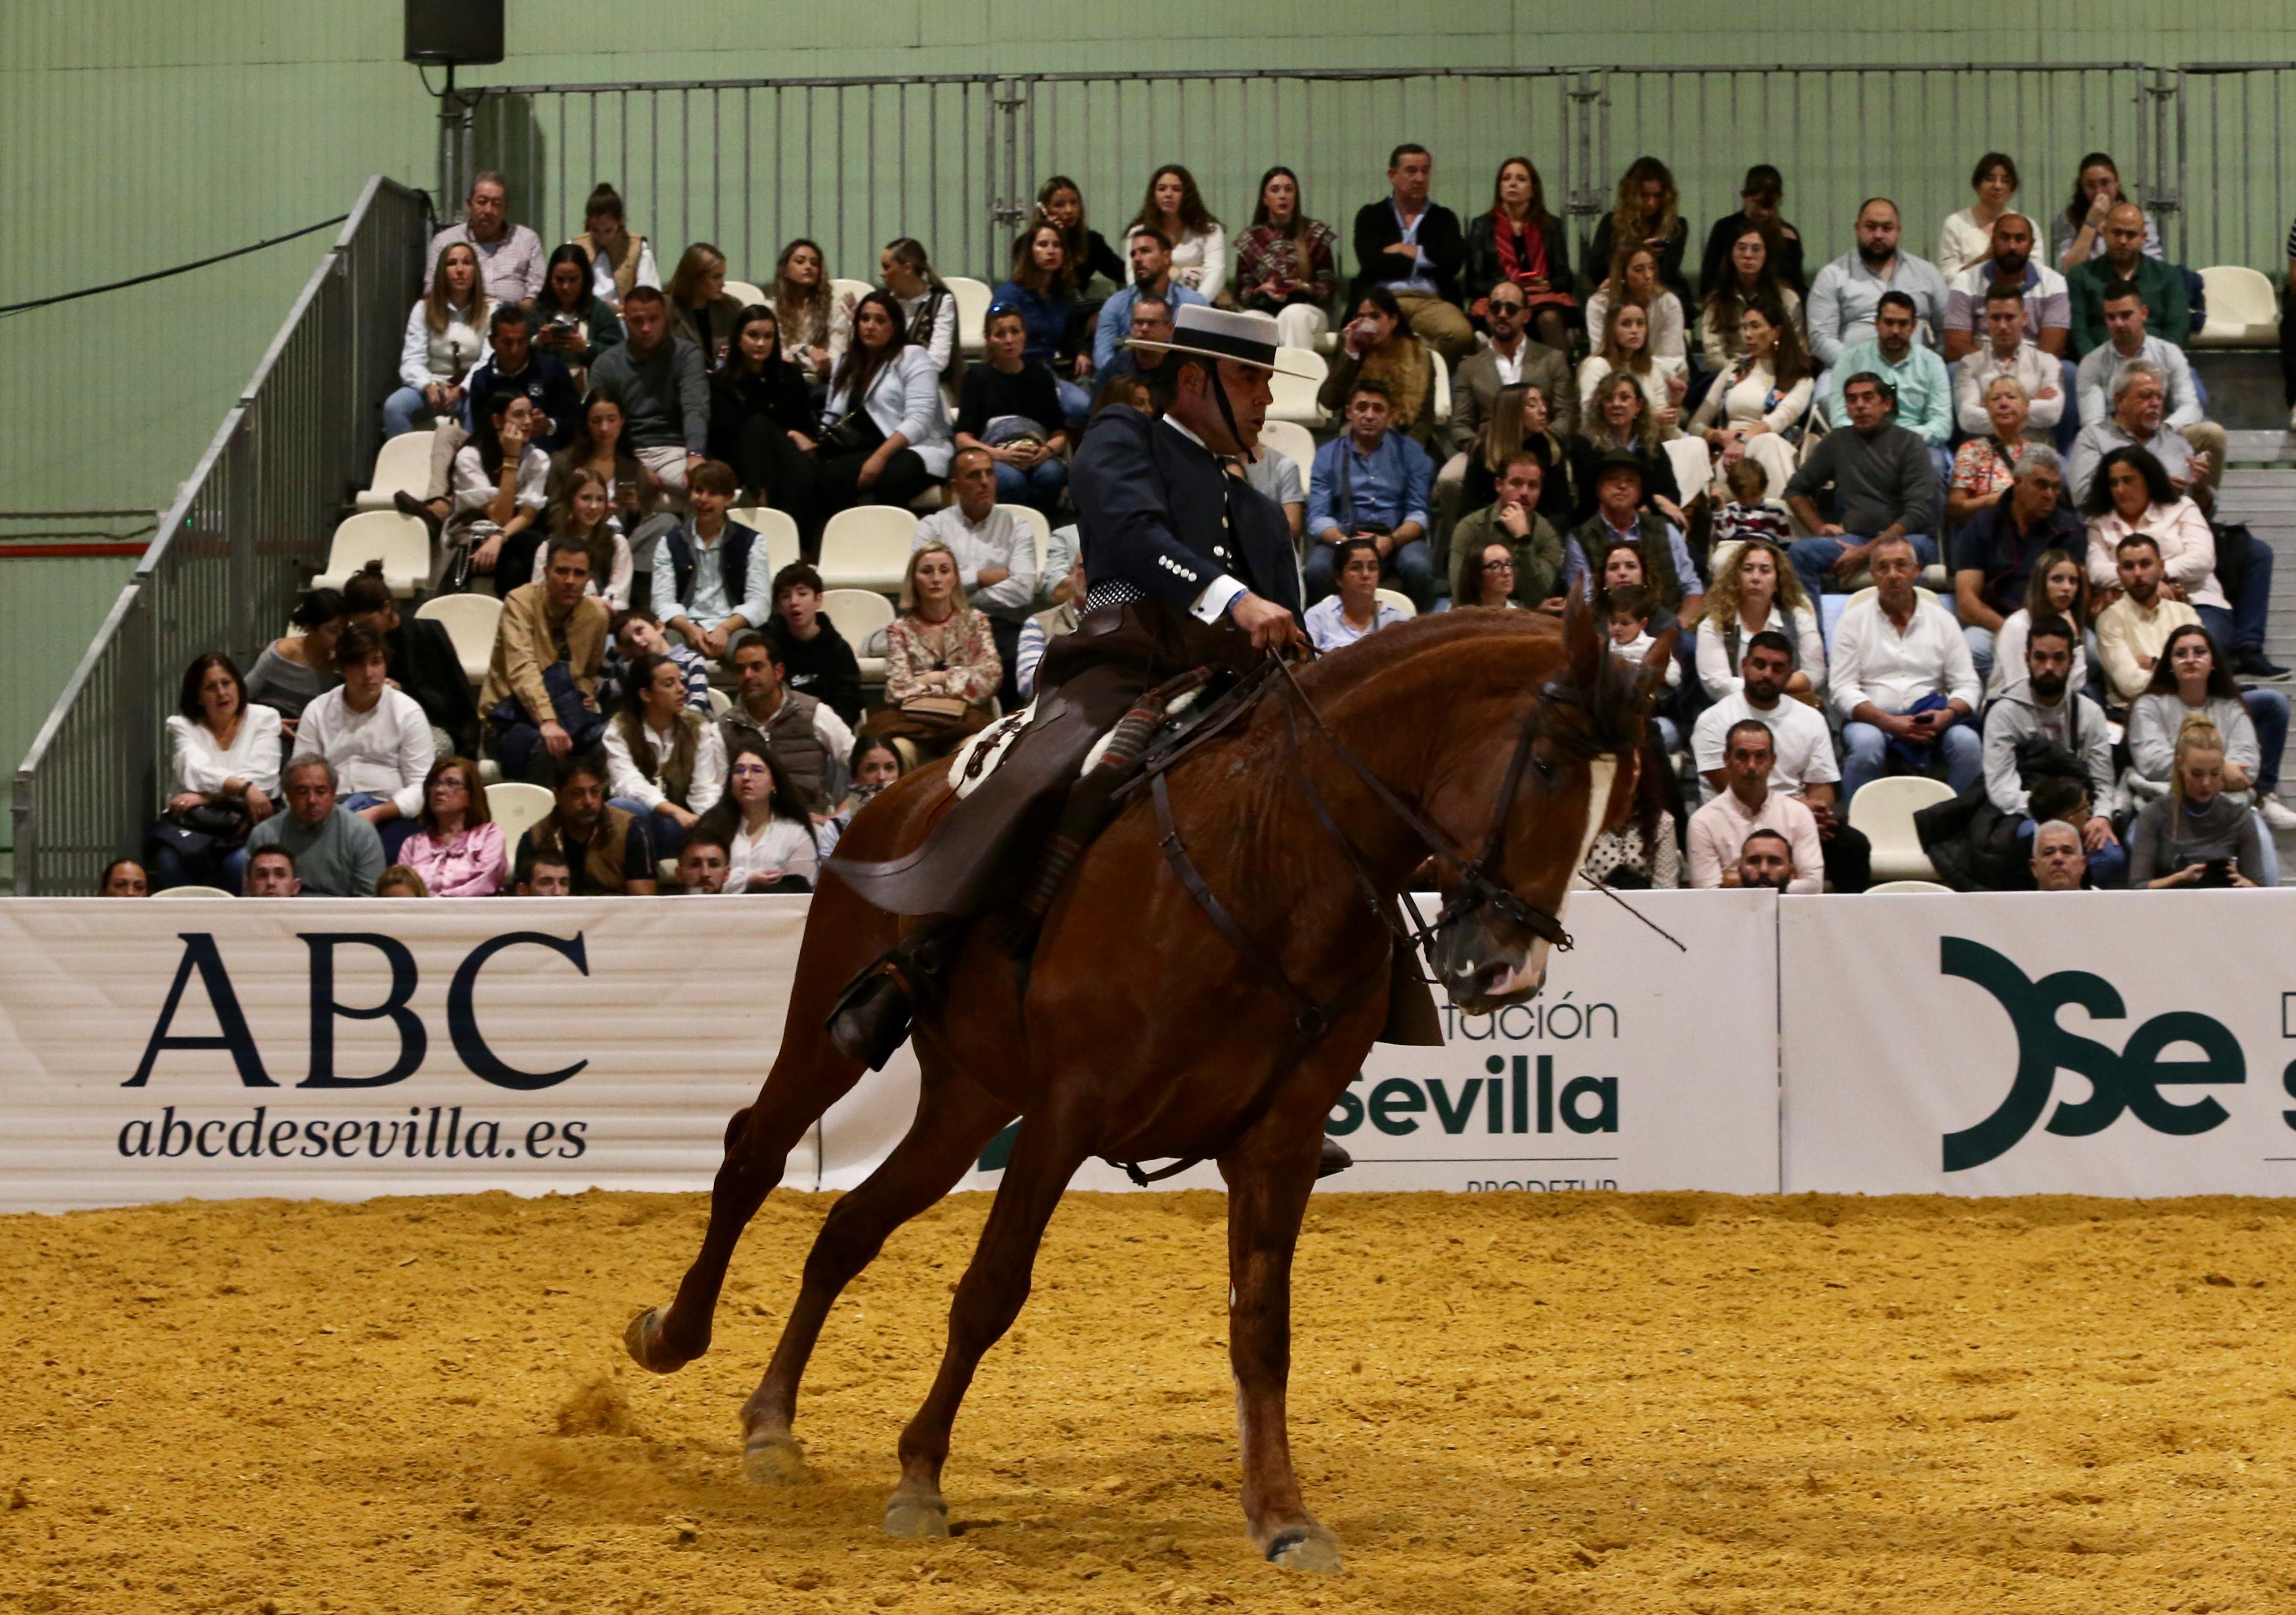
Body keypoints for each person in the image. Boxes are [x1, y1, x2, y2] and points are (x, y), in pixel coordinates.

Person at [828, 304, 1307, 1071]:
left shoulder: (1257, 508)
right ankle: (920, 962)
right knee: (1053, 771)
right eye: (1250, 379)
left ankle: (1310, 1040)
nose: (1266, 399)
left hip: (1236, 688)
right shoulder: (1125, 439)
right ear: (1194, 380)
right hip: (1126, 664)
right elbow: (1133, 538)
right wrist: (1234, 599)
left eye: (1267, 381)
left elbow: (1288, 619)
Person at [1691, 631, 1868, 891]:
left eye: (1777, 668)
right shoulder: (1713, 719)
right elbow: (1740, 784)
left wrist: (1811, 813)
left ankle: (1846, 927)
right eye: (1760, 665)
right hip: (1734, 818)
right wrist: (1797, 809)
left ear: (1790, 673)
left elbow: (1821, 785)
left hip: (1797, 818)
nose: (1767, 674)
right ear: (1744, 666)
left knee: (1853, 845)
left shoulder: (1811, 719)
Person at [1827, 535, 1982, 806]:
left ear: (1917, 571)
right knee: (1866, 747)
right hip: (1872, 719)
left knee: (1967, 743)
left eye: (1901, 565)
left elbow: (1968, 684)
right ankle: (1858, 830)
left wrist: (1947, 715)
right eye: (1883, 568)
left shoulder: (1942, 620)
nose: (1893, 575)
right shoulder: (1852, 621)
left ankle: (1959, 829)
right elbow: (1841, 688)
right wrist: (1886, 721)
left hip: (1932, 719)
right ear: (1873, 574)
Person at [1981, 615, 2124, 882]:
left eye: (2059, 658)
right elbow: (2002, 790)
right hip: (2027, 814)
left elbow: (2104, 783)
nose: (2049, 667)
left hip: (2081, 813)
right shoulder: (2003, 713)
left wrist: (2102, 817)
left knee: (2111, 857)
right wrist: (2058, 817)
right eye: (2040, 657)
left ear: (2071, 661)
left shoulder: (2090, 713)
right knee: (2029, 842)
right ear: (2027, 659)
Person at [2127, 623, 2296, 839]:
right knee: (2135, 842)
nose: (2190, 659)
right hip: (2165, 806)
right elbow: (2150, 762)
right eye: (2180, 654)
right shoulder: (2148, 706)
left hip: (2229, 807)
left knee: (2261, 844)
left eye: (2199, 652)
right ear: (2170, 665)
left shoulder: (2231, 707)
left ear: (2213, 662)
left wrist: (2197, 772)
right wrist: (2220, 768)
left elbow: (2247, 766)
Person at [1784, 372, 1937, 602]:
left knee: (1900, 554)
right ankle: (1812, 633)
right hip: (1855, 538)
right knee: (1799, 553)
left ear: (1886, 404)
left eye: (1868, 398)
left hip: (1908, 539)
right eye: (1852, 400)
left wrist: (1868, 552)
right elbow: (1795, 490)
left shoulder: (1910, 443)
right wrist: (1819, 527)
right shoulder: (1837, 442)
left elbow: (1918, 512)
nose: (1860, 406)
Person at [1438, 282, 1575, 526]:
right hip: (1487, 451)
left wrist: (1540, 444)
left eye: (1511, 309)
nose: (1502, 314)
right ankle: (1458, 549)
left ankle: (1550, 546)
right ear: (1487, 313)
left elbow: (1566, 415)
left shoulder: (1552, 360)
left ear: (1526, 315)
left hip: (1542, 448)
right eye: (1496, 308)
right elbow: (1459, 425)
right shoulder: (1470, 367)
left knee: (1563, 474)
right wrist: (1483, 448)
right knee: (1449, 478)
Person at [295, 623, 435, 856]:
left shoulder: (407, 712)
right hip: (330, 810)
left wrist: (377, 813)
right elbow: (302, 775)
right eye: (358, 665)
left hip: (389, 811)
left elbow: (423, 785)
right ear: (342, 668)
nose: (369, 674)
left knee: (387, 853)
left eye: (376, 662)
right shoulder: (317, 711)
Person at [480, 537, 612, 781]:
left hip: (568, 714)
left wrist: (584, 691)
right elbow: (522, 668)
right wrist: (548, 720)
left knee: (609, 741)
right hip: (509, 716)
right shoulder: (520, 602)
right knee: (547, 745)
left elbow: (589, 673)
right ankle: (538, 817)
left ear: (589, 578)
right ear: (545, 572)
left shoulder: (597, 616)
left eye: (579, 573)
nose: (570, 581)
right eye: (561, 571)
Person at [815, 288, 952, 521]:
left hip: (914, 448)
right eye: (865, 319)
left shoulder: (913, 357)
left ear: (895, 327)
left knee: (892, 478)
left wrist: (879, 457)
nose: (870, 326)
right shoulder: (845, 362)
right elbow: (832, 414)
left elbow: (919, 421)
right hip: (862, 448)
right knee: (826, 478)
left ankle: (895, 545)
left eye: (880, 321)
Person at [915, 448, 1039, 703]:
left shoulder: (1017, 527)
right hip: (946, 626)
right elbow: (924, 586)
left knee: (1014, 658)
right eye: (974, 476)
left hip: (1000, 625)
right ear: (956, 485)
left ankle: (1010, 735)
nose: (985, 482)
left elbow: (1023, 590)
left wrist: (956, 590)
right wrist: (981, 577)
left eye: (989, 474)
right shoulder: (932, 526)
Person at [856, 540, 1001, 758]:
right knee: (900, 749)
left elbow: (991, 677)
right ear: (914, 581)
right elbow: (897, 688)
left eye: (944, 571)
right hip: (915, 727)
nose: (936, 579)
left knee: (973, 747)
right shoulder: (900, 629)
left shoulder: (976, 622)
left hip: (964, 724)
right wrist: (962, 682)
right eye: (927, 571)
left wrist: (935, 678)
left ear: (955, 579)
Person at [150, 652, 281, 892]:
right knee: (168, 862)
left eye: (226, 683)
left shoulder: (264, 718)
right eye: (211, 687)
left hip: (247, 823)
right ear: (198, 696)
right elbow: (194, 770)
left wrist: (206, 797)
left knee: (239, 863)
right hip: (197, 825)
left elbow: (262, 778)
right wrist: (243, 788)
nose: (222, 693)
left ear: (239, 685)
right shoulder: (184, 726)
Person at [1304, 379, 1436, 611]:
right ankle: (1319, 635)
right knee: (1316, 570)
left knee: (1419, 567)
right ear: (1349, 413)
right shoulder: (1328, 455)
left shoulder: (1411, 452)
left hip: (1396, 537)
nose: (1369, 415)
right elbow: (1317, 517)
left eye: (1378, 409)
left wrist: (1392, 540)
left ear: (1390, 415)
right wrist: (1345, 544)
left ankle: (1422, 635)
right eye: (1361, 407)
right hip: (1344, 536)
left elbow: (1418, 512)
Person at [2074, 279, 2218, 487]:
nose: (2119, 324)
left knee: (2212, 434)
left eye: (2126, 315)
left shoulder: (2169, 353)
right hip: (2116, 439)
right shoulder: (2092, 363)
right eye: (2111, 317)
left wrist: (2164, 430)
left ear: (2144, 313)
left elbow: (2190, 406)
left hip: (2167, 433)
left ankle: (2203, 506)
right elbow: (2094, 424)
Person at [2081, 442, 2228, 642]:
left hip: (2196, 600)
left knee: (2200, 649)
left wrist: (2155, 575)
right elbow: (2097, 572)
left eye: (2128, 481)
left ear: (2148, 480)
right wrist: (2150, 584)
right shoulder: (2099, 522)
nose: (2120, 490)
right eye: (2114, 483)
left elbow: (2203, 559)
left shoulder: (2182, 507)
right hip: (2130, 608)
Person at [1954, 446, 2079, 681]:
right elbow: (1967, 601)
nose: (2050, 495)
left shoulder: (2070, 528)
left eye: (2055, 487)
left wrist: (2046, 635)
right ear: (2018, 482)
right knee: (1971, 649)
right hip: (1995, 623)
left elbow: (2079, 596)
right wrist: (2014, 631)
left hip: (2054, 626)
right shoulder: (1983, 524)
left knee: (2091, 652)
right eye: (2041, 485)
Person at [340, 563, 480, 761]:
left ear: (387, 608)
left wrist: (403, 690)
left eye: (369, 622)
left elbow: (450, 702)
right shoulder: (356, 641)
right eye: (358, 623)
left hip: (430, 724)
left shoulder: (426, 635)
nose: (364, 629)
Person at [1350, 142, 1474, 361]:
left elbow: (1452, 264)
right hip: (1384, 298)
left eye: (1425, 171)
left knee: (1461, 334)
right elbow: (1370, 263)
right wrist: (1427, 259)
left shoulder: (1444, 218)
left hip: (1430, 301)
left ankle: (1422, 375)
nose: (1419, 178)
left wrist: (1407, 251)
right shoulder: (1371, 215)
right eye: (1411, 171)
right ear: (1392, 175)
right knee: (1363, 335)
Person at [1687, 295, 1813, 500]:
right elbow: (1696, 425)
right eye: (1744, 327)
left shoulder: (1800, 376)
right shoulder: (1734, 371)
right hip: (1729, 456)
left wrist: (1744, 441)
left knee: (1768, 442)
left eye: (1755, 326)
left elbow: (1779, 419)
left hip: (1773, 448)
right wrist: (1718, 436)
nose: (1747, 334)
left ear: (1776, 332)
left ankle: (1781, 520)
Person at [587, 286, 707, 497]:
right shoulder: (606, 364)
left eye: (654, 320)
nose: (646, 328)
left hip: (674, 450)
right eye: (637, 321)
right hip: (624, 452)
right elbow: (602, 423)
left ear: (665, 319)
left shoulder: (686, 355)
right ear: (624, 321)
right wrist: (634, 465)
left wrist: (695, 453)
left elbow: (695, 407)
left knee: (704, 489)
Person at [1805, 198, 1950, 373]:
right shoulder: (1833, 275)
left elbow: (1948, 329)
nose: (1878, 235)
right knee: (1825, 400)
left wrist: (1928, 364)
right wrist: (1859, 366)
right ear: (1858, 229)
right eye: (1871, 227)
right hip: (1850, 373)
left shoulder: (1927, 273)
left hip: (1916, 373)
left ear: (1898, 231)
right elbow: (1820, 337)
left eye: (1887, 228)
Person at [721, 629, 855, 817]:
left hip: (809, 824)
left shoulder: (815, 713)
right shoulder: (725, 726)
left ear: (778, 671)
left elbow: (866, 767)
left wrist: (836, 820)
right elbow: (709, 792)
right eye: (741, 670)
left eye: (757, 667)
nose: (748, 675)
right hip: (746, 828)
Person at [605, 651, 727, 857]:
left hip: (683, 826)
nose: (682, 689)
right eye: (669, 684)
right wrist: (672, 810)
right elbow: (627, 783)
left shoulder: (698, 727)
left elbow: (705, 789)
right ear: (646, 695)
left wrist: (702, 828)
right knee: (623, 807)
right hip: (641, 822)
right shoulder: (620, 729)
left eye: (681, 681)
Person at [646, 459, 769, 659]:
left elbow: (759, 602)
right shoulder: (669, 543)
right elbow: (662, 602)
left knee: (752, 654)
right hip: (684, 625)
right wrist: (689, 629)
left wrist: (725, 629)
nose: (703, 499)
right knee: (662, 649)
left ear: (729, 499)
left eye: (713, 493)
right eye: (698, 490)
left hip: (732, 625)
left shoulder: (752, 542)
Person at [955, 305, 1070, 517]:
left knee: (1051, 475)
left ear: (1024, 335)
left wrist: (1047, 451)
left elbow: (1059, 434)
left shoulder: (1041, 376)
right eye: (1000, 334)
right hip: (996, 454)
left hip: (1037, 453)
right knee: (1011, 480)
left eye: (1015, 332)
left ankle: (1045, 528)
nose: (1009, 340)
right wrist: (999, 455)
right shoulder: (977, 378)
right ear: (989, 340)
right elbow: (962, 437)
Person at [1565, 453, 1703, 627]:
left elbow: (1692, 588)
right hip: (1609, 633)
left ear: (1639, 494)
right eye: (1612, 479)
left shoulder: (1666, 530)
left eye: (1630, 481)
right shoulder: (1580, 539)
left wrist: (1678, 626)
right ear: (1598, 489)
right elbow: (1583, 601)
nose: (1622, 486)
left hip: (1666, 627)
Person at [1821, 292, 1951, 475]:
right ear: (1877, 323)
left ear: (1913, 325)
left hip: (1918, 444)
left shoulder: (1932, 363)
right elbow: (1841, 420)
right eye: (1889, 323)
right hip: (1864, 442)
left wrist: (1900, 439)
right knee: (1850, 466)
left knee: (1934, 466)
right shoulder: (1850, 361)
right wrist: (1875, 439)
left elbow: (1942, 424)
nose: (1896, 331)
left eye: (1903, 323)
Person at [707, 304, 818, 519]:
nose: (761, 343)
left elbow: (807, 427)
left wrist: (798, 436)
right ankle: (761, 501)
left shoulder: (791, 375)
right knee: (757, 426)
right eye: (753, 336)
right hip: (740, 461)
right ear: (739, 339)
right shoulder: (721, 382)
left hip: (786, 458)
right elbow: (723, 435)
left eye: (768, 337)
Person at [1687, 720, 1824, 893]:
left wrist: (1735, 880)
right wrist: (1781, 879)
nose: (1751, 766)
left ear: (1772, 761)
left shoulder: (1798, 813)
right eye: (1742, 756)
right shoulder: (1703, 821)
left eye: (1760, 756)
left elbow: (1813, 886)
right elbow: (1707, 892)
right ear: (1727, 759)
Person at [2130, 718, 2267, 889]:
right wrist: (2179, 878)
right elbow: (2137, 886)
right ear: (2181, 765)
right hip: (2169, 908)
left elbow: (2262, 889)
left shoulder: (2239, 817)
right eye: (2197, 774)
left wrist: (2247, 886)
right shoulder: (2154, 814)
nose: (2206, 783)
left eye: (2215, 773)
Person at [1464, 156, 1576, 350]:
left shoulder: (1550, 226)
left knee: (1550, 319)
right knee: (1504, 313)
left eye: (1521, 179)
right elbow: (1473, 283)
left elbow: (1565, 279)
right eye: (1507, 178)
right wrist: (1510, 288)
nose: (1513, 184)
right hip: (1499, 300)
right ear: (1500, 188)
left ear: (1533, 190)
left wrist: (1547, 284)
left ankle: (1561, 378)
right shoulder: (1482, 226)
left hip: (1543, 301)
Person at [1224, 164, 1340, 354]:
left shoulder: (1314, 233)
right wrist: (1261, 290)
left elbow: (1329, 287)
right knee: (1250, 319)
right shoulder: (1251, 239)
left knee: (1293, 315)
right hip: (1266, 309)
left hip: (1307, 309)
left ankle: (1298, 381)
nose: (1283, 196)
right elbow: (1242, 292)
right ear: (1265, 199)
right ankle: (1254, 382)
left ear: (1296, 196)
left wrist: (1302, 287)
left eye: (1289, 190)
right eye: (1275, 190)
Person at [446, 384, 550, 592]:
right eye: (519, 415)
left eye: (530, 414)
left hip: (513, 538)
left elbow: (528, 515)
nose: (528, 422)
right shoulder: (470, 457)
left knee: (529, 546)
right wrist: (511, 459)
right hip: (471, 536)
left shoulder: (538, 458)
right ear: (497, 421)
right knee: (523, 550)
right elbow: (499, 518)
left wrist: (499, 538)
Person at [387, 241, 491, 437]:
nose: (460, 270)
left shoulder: (492, 310)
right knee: (395, 407)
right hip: (432, 385)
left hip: (472, 388)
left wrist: (463, 389)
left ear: (476, 270)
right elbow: (411, 359)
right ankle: (404, 464)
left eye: (467, 263)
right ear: (442, 272)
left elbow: (488, 360)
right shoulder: (423, 309)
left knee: (478, 408)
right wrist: (428, 385)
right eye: (452, 264)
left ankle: (470, 463)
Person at [1696, 540, 1822, 702]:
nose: (1755, 578)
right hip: (1735, 710)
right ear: (1736, 578)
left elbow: (1814, 674)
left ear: (1778, 581)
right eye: (1748, 570)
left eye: (1765, 571)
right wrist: (1774, 684)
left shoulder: (1799, 618)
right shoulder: (1714, 624)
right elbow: (1718, 685)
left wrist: (1767, 687)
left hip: (1789, 708)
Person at [245, 755, 387, 898]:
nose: (312, 800)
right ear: (287, 794)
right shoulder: (264, 835)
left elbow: (370, 904)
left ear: (333, 793)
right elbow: (250, 902)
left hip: (341, 917)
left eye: (321, 791)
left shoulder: (361, 834)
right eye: (302, 792)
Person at [1942, 213, 2071, 369]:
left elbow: (2052, 349)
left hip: (2034, 369)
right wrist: (1999, 370)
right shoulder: (1965, 281)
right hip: (1981, 368)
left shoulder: (2053, 283)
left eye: (2020, 239)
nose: (2012, 246)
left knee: (2068, 371)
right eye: (2004, 238)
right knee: (1954, 370)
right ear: (1993, 242)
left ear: (2031, 244)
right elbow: (1955, 347)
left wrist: (2017, 371)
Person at [1447, 453, 1565, 610]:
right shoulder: (1470, 527)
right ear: (1499, 485)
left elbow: (1538, 595)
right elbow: (1461, 594)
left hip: (1526, 625)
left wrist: (1523, 539)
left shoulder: (1547, 535)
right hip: (1476, 619)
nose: (1524, 492)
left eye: (1533, 485)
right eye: (1516, 483)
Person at [994, 223, 1086, 425]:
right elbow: (997, 342)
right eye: (1043, 245)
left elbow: (1068, 339)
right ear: (1030, 252)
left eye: (1057, 245)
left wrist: (1081, 353)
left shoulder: (1063, 294)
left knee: (1082, 406)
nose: (1051, 251)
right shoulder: (1010, 294)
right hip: (1015, 372)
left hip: (1048, 372)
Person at [528, 752, 656, 896]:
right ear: (558, 795)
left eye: (595, 792)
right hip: (555, 914)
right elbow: (523, 900)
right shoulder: (536, 835)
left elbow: (643, 903)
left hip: (612, 914)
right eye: (577, 794)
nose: (589, 802)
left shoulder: (631, 830)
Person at [1320, 286, 1438, 442]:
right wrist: (1351, 354)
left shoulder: (1418, 354)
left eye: (1375, 317)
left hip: (1405, 437)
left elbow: (1425, 419)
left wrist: (1406, 451)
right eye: (1362, 317)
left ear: (1393, 320)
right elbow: (1329, 401)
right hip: (1358, 433)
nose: (1368, 323)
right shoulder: (1349, 347)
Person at [2069, 206, 2190, 358]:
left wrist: (2156, 364)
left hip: (2156, 366)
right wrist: (2097, 365)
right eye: (2117, 233)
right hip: (2098, 364)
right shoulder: (2081, 275)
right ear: (2105, 233)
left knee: (2191, 377)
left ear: (2144, 237)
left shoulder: (2168, 276)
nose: (2123, 241)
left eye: (2131, 235)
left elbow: (2178, 329)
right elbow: (2077, 332)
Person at [2094, 532, 2198, 706]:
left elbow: (2202, 673)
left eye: (2145, 564)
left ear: (2161, 567)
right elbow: (2130, 684)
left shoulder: (2185, 614)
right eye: (2129, 566)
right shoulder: (2109, 621)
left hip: (2187, 709)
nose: (2138, 573)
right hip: (2135, 715)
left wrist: (2153, 663)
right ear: (2119, 573)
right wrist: (2179, 671)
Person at [1460, 380, 1581, 528]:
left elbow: (1562, 510)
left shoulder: (1552, 446)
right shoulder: (1483, 448)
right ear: (1512, 412)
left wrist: (1532, 532)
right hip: (1492, 531)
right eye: (1532, 405)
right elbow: (1468, 508)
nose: (1543, 410)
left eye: (1543, 403)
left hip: (1540, 531)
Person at [510, 465, 633, 610]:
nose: (594, 506)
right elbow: (539, 593)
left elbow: (619, 596)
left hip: (603, 619)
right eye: (586, 498)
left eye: (600, 499)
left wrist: (593, 606)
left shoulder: (617, 543)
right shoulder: (549, 547)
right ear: (570, 501)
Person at [1953, 286, 2064, 444]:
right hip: (1986, 452)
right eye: (1996, 318)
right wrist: (2030, 401)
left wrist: (1990, 406)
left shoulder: (2047, 362)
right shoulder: (1969, 365)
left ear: (2024, 318)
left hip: (2035, 451)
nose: (2003, 326)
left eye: (2010, 317)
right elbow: (1967, 419)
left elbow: (2052, 413)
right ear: (1986, 320)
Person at [465, 304, 579, 455]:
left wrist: (550, 425)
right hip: (499, 458)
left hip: (548, 455)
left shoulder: (552, 370)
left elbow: (576, 421)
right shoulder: (482, 380)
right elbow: (482, 433)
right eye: (507, 343)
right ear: (492, 342)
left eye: (521, 342)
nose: (515, 350)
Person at [1091, 229, 1209, 375]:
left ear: (1167, 257)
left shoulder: (1195, 305)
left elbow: (1205, 358)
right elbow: (1103, 357)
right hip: (1127, 384)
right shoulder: (1116, 304)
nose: (1137, 259)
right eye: (1133, 254)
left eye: (1145, 251)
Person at [1983, 547, 2091, 704]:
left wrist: (2076, 641)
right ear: (2041, 584)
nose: (2067, 587)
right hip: (2008, 707)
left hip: (2056, 708)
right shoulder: (2017, 626)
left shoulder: (2071, 625)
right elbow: (2019, 687)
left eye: (2073, 581)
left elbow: (2077, 687)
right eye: (2057, 579)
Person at [1573, 373, 1685, 525]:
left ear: (1638, 406)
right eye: (1608, 399)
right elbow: (1589, 498)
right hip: (1598, 524)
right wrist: (1653, 500)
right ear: (1601, 406)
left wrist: (1652, 505)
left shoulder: (1649, 444)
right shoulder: (1585, 445)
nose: (1616, 404)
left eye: (1624, 398)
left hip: (1646, 524)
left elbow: (1672, 494)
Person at [765, 562, 864, 727]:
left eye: (802, 594)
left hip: (828, 737)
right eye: (786, 596)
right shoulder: (769, 649)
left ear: (818, 600)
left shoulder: (839, 650)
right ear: (779, 606)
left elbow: (848, 707)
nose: (794, 602)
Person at [1699, 221, 1803, 376]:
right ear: (1731, 254)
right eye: (1741, 248)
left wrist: (1767, 370)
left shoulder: (1787, 298)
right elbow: (1713, 356)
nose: (1748, 255)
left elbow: (1796, 349)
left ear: (1767, 255)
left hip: (1777, 374)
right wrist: (1743, 370)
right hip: (1730, 375)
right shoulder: (1717, 301)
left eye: (1756, 249)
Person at [1585, 156, 1691, 308]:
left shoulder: (1676, 226)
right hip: (1620, 288)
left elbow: (1670, 269)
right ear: (1632, 195)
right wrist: (1636, 253)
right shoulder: (1612, 222)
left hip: (1660, 289)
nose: (1651, 203)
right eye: (1644, 195)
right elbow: (1596, 268)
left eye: (1657, 196)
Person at [424, 171, 545, 304]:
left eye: (496, 204)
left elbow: (538, 288)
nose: (488, 210)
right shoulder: (445, 241)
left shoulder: (527, 239)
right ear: (470, 206)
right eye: (482, 202)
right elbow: (432, 289)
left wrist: (523, 309)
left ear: (506, 208)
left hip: (513, 318)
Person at [395, 755, 507, 898]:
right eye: (434, 784)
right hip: (422, 916)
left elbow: (485, 882)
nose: (439, 790)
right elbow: (401, 887)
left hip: (474, 915)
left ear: (471, 795)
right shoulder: (413, 844)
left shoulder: (490, 835)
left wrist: (441, 903)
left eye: (452, 783)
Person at [244, 586, 345, 741]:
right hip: (274, 728)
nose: (341, 637)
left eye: (344, 630)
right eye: (333, 631)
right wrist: (272, 724)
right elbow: (242, 696)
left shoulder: (343, 660)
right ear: (310, 628)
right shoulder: (281, 654)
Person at [1699, 163, 1807, 301]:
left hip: (1774, 306)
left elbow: (1797, 285)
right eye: (1758, 204)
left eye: (1770, 206)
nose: (1764, 212)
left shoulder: (1788, 235)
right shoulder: (1725, 229)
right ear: (1744, 196)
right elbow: (1709, 279)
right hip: (1731, 303)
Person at [1946, 377, 2041, 529]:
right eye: (1995, 399)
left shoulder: (2037, 453)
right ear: (1987, 409)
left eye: (2011, 397)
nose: (2003, 404)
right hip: (1988, 532)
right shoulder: (1972, 450)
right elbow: (1955, 509)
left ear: (2026, 406)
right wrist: (1991, 501)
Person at [1126, 164, 1226, 304]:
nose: (1168, 194)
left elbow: (1216, 273)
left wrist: (1194, 306)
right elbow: (1133, 277)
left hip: (1201, 304)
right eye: (1162, 189)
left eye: (1176, 189)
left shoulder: (1210, 230)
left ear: (1187, 195)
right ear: (1153, 195)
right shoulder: (1138, 233)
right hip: (1152, 305)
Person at [2054, 152, 2164, 273]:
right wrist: (2090, 223)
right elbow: (2067, 270)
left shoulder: (2138, 217)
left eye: (2105, 183)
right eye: (2091, 186)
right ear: (2082, 188)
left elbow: (2155, 264)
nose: (2099, 192)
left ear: (2117, 183)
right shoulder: (2068, 218)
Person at [1581, 244, 1689, 366]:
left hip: (1658, 374)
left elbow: (1673, 358)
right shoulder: (1600, 304)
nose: (1648, 276)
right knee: (1592, 365)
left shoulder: (1668, 303)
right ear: (1622, 275)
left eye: (1652, 268)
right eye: (1639, 270)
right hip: (1613, 374)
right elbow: (1600, 352)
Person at [1032, 176, 1130, 307]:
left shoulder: (1091, 241)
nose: (1069, 210)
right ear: (1044, 210)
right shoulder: (1032, 243)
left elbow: (1120, 271)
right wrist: (1053, 236)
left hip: (1075, 307)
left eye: (1074, 203)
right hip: (1040, 304)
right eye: (1059, 205)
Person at [569, 181, 659, 311]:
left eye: (608, 231)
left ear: (620, 221)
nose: (602, 237)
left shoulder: (639, 249)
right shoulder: (575, 248)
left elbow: (649, 295)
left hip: (625, 319)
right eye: (595, 231)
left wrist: (621, 310)